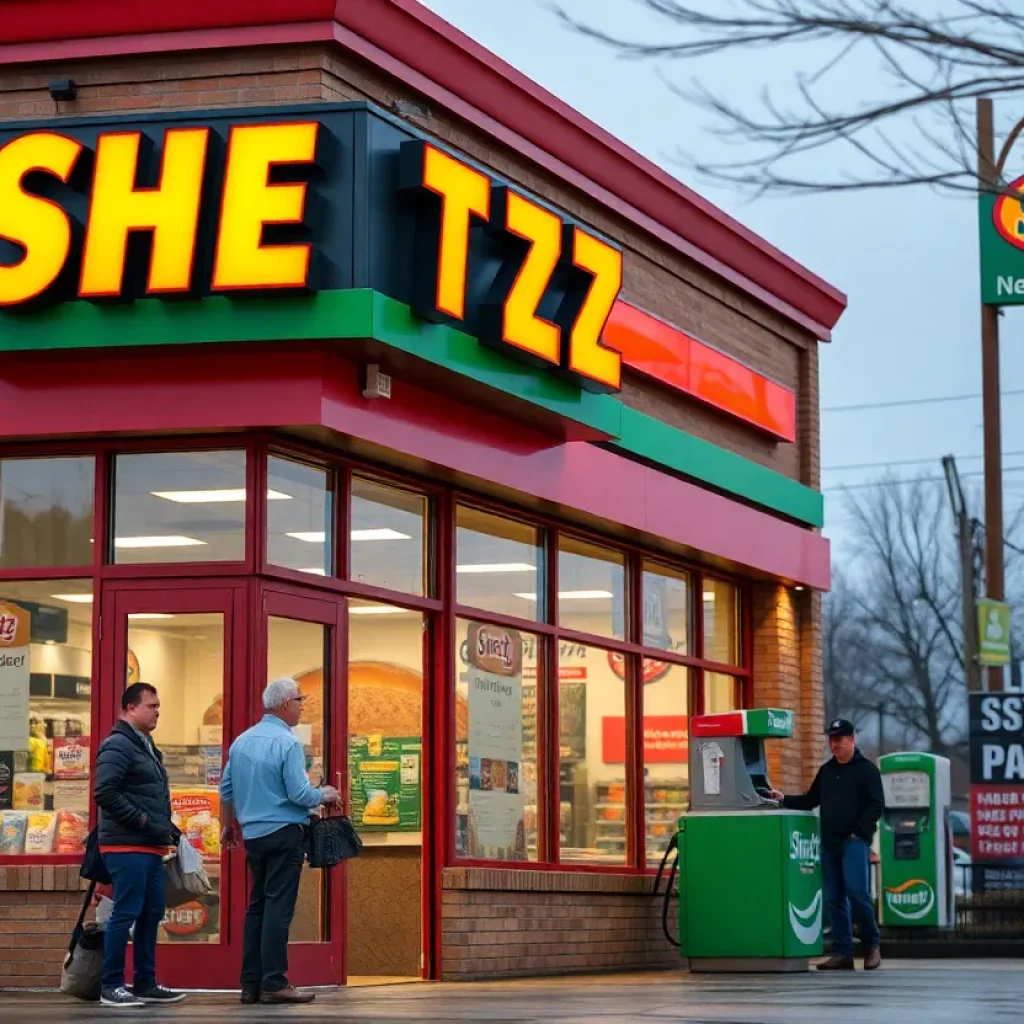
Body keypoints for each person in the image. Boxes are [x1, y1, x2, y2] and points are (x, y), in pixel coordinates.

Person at [220, 678, 341, 1006]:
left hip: (254, 837)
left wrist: (229, 826)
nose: (302, 706)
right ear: (286, 703)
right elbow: (299, 794)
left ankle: (250, 984)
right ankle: (274, 982)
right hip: (285, 834)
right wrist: (325, 794)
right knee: (278, 908)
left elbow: (226, 789)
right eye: (300, 700)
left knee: (257, 907)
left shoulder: (241, 742)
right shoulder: (288, 743)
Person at [93, 682, 185, 1008]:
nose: (157, 711)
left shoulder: (144, 745)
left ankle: (145, 982)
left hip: (149, 846)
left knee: (152, 912)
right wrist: (144, 822)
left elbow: (147, 793)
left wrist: (166, 828)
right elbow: (105, 792)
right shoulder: (118, 745)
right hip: (126, 846)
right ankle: (111, 985)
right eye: (151, 706)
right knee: (126, 913)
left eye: (158, 706)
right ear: (131, 707)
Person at [768, 718, 884, 972]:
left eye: (839, 739)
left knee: (857, 892)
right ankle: (843, 953)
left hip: (853, 842)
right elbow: (811, 799)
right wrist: (783, 798)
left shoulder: (866, 770)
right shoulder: (827, 771)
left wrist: (859, 832)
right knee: (834, 898)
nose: (835, 744)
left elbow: (877, 804)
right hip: (829, 843)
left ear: (852, 739)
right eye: (832, 740)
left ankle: (872, 945)